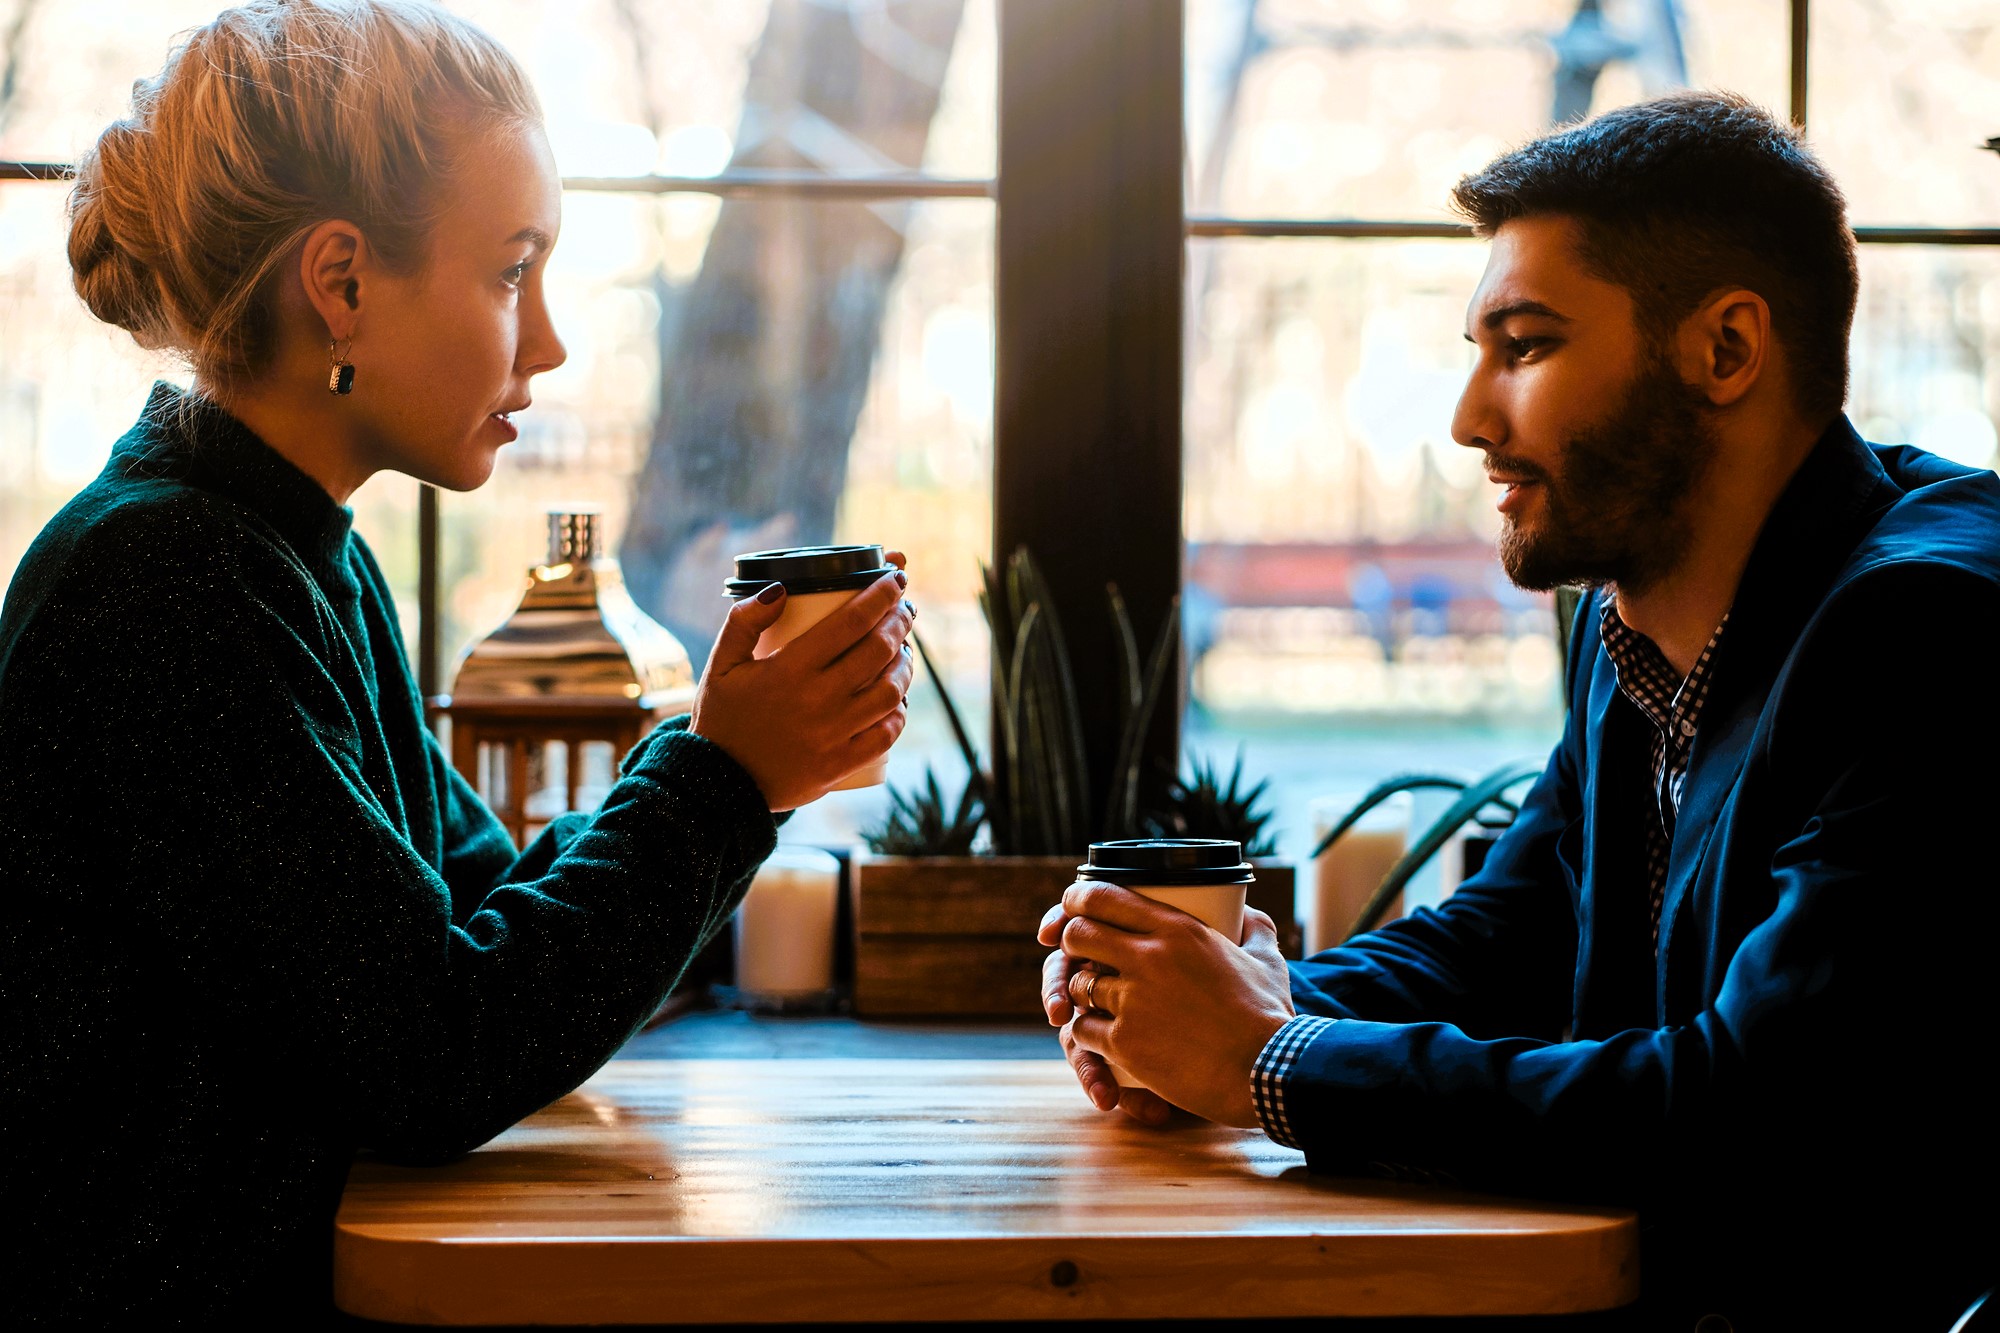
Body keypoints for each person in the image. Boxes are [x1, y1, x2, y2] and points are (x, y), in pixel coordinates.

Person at [0, 1, 913, 1321]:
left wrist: (738, 760)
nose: (546, 341)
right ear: (343, 283)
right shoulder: (171, 585)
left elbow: (484, 919)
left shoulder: (286, 549)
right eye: (509, 272)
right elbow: (434, 1052)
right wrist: (722, 781)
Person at [1040, 92, 1998, 1330]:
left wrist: (1261, 1062)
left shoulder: (1924, 627)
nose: (1468, 419)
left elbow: (1741, 1110)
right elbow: (1519, 925)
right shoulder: (1641, 609)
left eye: (1526, 346)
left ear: (1723, 349)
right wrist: (1240, 1004)